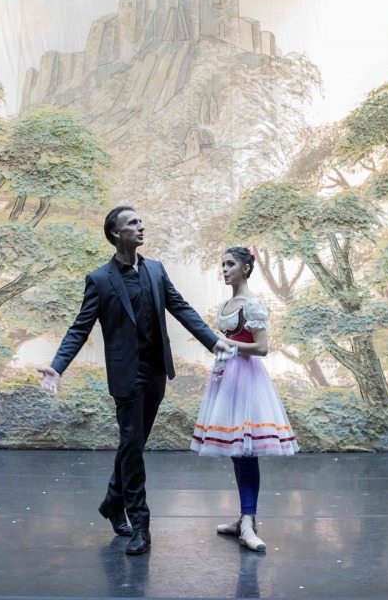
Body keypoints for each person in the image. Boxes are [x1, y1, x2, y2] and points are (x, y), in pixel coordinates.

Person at [38, 206, 233, 556]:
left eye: (141, 221)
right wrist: (58, 366)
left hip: (156, 370)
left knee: (133, 445)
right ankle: (139, 524)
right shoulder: (99, 280)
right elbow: (80, 327)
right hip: (126, 375)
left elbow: (181, 307)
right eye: (132, 224)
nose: (141, 227)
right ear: (116, 233)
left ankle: (113, 502)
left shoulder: (156, 270)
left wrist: (213, 341)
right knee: (132, 444)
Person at [191, 246, 298, 552]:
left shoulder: (252, 304)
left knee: (247, 450)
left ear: (245, 269)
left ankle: (249, 522)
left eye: (230, 264)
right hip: (225, 378)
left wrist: (228, 345)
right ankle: (243, 518)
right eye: (222, 264)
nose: (224, 269)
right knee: (238, 451)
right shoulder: (227, 304)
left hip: (247, 379)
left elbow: (262, 347)